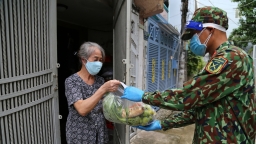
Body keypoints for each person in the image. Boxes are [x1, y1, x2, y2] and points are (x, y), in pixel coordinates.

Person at [121, 6, 256, 143]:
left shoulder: (232, 58)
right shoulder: (220, 58)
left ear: (211, 29)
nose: (193, 40)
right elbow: (200, 108)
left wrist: (144, 96)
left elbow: (189, 95)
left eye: (195, 33)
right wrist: (163, 124)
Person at [65, 42, 120, 144]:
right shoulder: (72, 81)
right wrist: (103, 89)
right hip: (80, 135)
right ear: (83, 60)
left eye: (100, 60)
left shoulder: (99, 80)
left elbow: (104, 105)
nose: (99, 63)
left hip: (99, 132)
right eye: (95, 59)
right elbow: (82, 109)